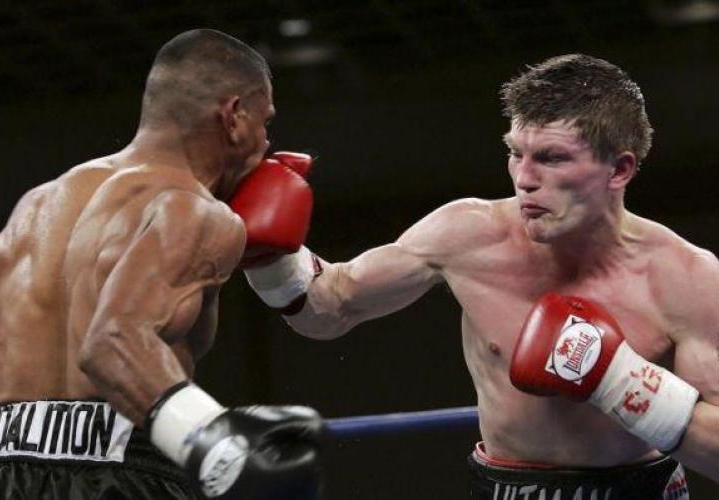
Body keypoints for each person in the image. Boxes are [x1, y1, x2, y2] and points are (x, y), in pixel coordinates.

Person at [243, 54, 719, 498]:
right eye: (516, 153)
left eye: (551, 158)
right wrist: (270, 255)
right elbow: (329, 309)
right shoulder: (467, 234)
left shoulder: (687, 278)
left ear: (620, 169)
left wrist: (619, 381)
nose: (524, 178)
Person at [0, 29, 323, 499]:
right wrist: (212, 440)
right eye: (264, 121)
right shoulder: (195, 210)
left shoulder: (35, 208)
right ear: (233, 116)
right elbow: (111, 343)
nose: (267, 142)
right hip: (122, 471)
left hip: (4, 466)